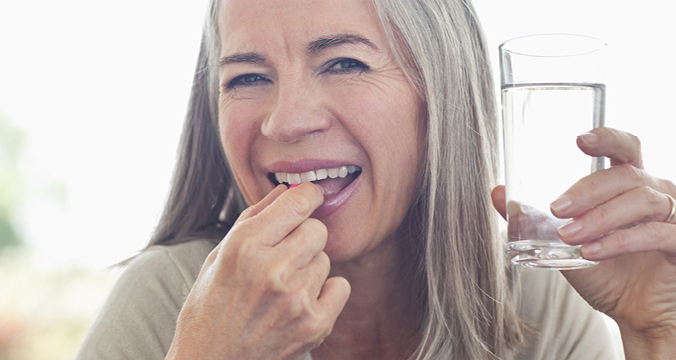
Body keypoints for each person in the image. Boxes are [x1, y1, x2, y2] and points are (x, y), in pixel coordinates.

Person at [77, 0, 676, 358]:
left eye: (343, 63)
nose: (285, 122)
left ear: (441, 97)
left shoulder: (535, 299)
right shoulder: (169, 300)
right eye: (246, 76)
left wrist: (657, 333)